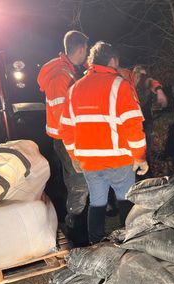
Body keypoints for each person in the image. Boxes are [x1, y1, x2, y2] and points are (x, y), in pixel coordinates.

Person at [59, 41, 148, 244]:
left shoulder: (75, 89)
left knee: (97, 203)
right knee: (126, 201)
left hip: (90, 162)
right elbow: (133, 126)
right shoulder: (120, 86)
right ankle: (129, 245)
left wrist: (74, 156)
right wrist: (140, 157)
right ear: (113, 60)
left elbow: (66, 128)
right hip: (119, 160)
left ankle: (96, 246)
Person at [37, 30, 90, 245]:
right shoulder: (61, 77)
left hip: (64, 138)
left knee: (75, 182)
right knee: (78, 184)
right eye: (86, 50)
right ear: (80, 49)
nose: (87, 54)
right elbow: (63, 118)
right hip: (67, 140)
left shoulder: (66, 70)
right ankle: (75, 229)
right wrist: (74, 149)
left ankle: (76, 222)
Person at [121, 65, 168, 175]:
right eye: (139, 74)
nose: (141, 77)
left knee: (147, 145)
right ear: (134, 73)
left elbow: (152, 82)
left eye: (143, 75)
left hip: (146, 120)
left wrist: (159, 91)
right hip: (130, 120)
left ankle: (147, 171)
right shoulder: (126, 77)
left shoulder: (145, 82)